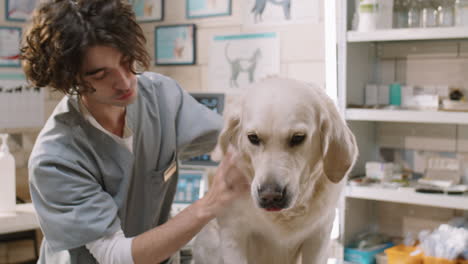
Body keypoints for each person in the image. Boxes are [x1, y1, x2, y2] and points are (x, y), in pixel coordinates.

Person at [21, 0, 249, 263]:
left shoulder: (161, 97)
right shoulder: (56, 159)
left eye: (126, 61)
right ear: (69, 78)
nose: (124, 81)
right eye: (100, 74)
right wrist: (210, 204)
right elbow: (115, 256)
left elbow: (236, 140)